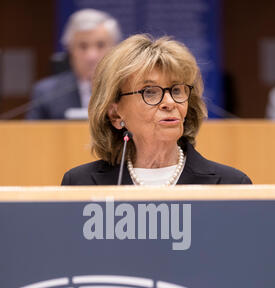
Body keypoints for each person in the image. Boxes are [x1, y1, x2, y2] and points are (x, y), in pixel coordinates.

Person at [61, 34, 252, 186]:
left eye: (177, 89)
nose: (169, 102)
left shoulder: (230, 185)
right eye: (150, 92)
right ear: (115, 114)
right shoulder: (81, 184)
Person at [26, 9, 121, 120]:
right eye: (83, 46)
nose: (91, 56)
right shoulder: (46, 93)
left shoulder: (127, 89)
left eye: (100, 45)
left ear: (115, 48)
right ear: (70, 49)